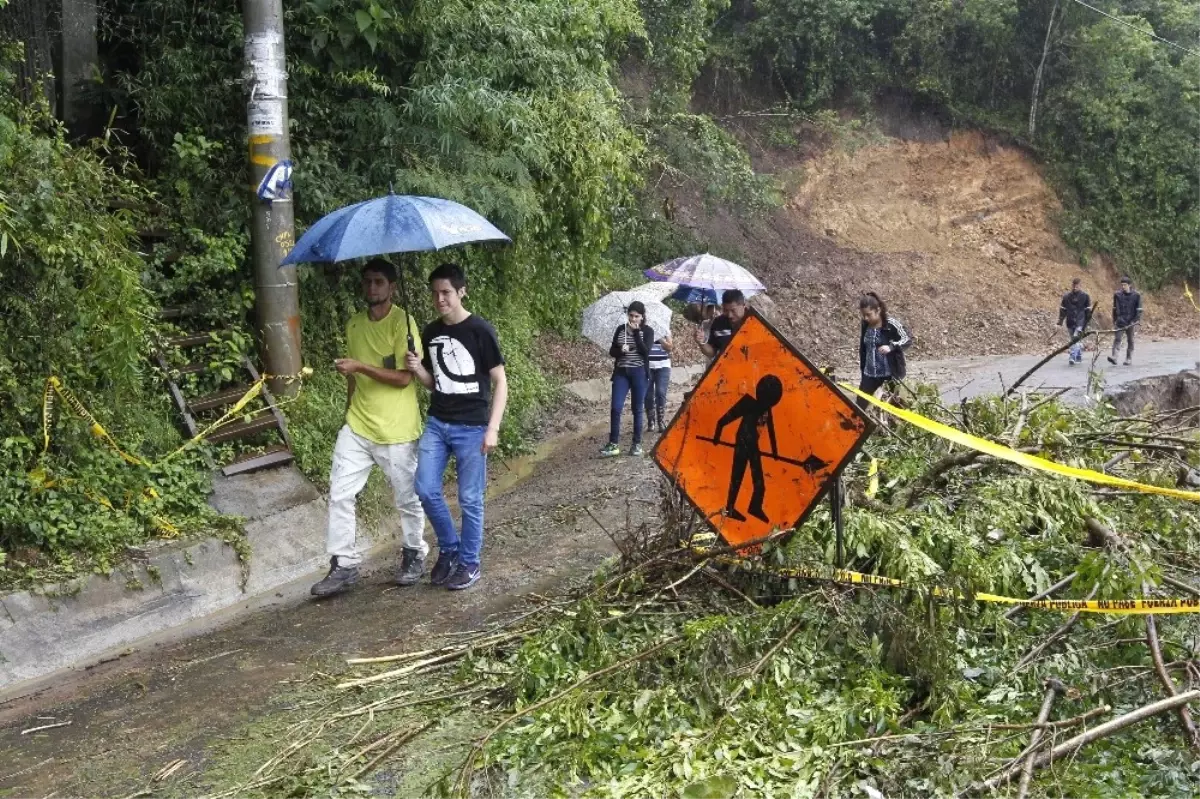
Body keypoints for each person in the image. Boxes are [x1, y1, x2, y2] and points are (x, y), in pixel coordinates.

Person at [311, 260, 427, 598]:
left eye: (378, 282)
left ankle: (414, 552)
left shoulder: (403, 324)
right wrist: (348, 410)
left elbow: (405, 379)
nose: (372, 288)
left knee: (407, 497)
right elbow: (354, 377)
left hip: (398, 428)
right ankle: (343, 564)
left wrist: (361, 365)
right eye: (367, 282)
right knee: (340, 493)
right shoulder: (354, 325)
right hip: (358, 425)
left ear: (391, 287)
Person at [404, 263, 508, 591]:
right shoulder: (431, 332)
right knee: (425, 488)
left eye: (446, 292)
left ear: (461, 291)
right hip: (438, 422)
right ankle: (449, 549)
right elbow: (437, 383)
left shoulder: (481, 330)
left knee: (470, 499)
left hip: (473, 427)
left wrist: (493, 428)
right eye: (435, 293)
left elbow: (500, 381)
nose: (440, 299)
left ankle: (469, 562)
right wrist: (417, 369)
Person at [601, 302, 653, 457]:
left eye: (637, 316)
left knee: (637, 409)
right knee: (616, 407)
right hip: (622, 372)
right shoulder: (620, 329)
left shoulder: (648, 331)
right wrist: (620, 351)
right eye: (631, 315)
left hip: (639, 372)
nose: (633, 318)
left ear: (642, 317)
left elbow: (646, 351)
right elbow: (612, 351)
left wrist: (636, 333)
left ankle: (636, 444)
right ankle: (613, 443)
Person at [857, 292, 912, 411]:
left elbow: (907, 338)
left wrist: (891, 347)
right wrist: (862, 368)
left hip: (890, 375)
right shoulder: (865, 325)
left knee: (893, 408)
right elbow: (863, 348)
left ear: (878, 310)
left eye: (868, 314)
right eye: (863, 315)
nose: (866, 318)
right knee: (859, 407)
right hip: (870, 374)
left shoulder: (891, 324)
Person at [696, 290, 748, 360]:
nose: (729, 315)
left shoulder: (755, 322)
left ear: (743, 306)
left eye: (733, 310)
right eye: (726, 310)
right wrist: (702, 342)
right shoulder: (718, 323)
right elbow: (712, 353)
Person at [1109, 276, 1143, 366]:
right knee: (1117, 339)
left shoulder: (1136, 295)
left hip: (1131, 322)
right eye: (1122, 285)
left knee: (1130, 340)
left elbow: (1139, 310)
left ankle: (1128, 358)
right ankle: (1114, 357)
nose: (1123, 287)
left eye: (1125, 285)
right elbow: (1114, 308)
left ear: (1129, 285)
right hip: (1120, 321)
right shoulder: (1117, 295)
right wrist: (1114, 320)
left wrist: (1134, 321)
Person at [1058, 277, 1092, 366]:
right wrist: (1060, 320)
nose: (1075, 287)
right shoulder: (1066, 297)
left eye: (1077, 285)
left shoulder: (1085, 296)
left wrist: (1086, 321)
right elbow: (1063, 310)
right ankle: (1079, 356)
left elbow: (1088, 311)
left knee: (1075, 339)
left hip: (1080, 322)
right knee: (1074, 339)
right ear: (1071, 285)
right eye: (1074, 285)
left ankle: (1072, 356)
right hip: (1070, 321)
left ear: (1080, 286)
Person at [644, 329, 673, 433]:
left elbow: (669, 347)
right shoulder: (642, 330)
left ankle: (660, 421)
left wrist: (659, 338)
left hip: (663, 365)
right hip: (646, 366)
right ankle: (651, 421)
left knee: (660, 392)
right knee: (647, 394)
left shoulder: (664, 329)